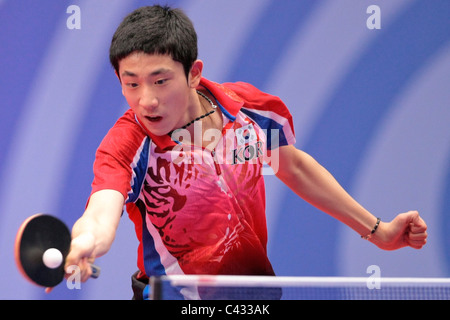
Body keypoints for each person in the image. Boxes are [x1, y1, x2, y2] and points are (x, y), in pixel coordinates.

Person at [64, 5, 427, 299]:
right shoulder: (127, 145)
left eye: (160, 81)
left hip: (256, 300)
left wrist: (377, 231)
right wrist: (84, 243)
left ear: (193, 74)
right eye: (131, 84)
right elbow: (101, 212)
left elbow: (294, 168)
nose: (147, 100)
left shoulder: (251, 110)